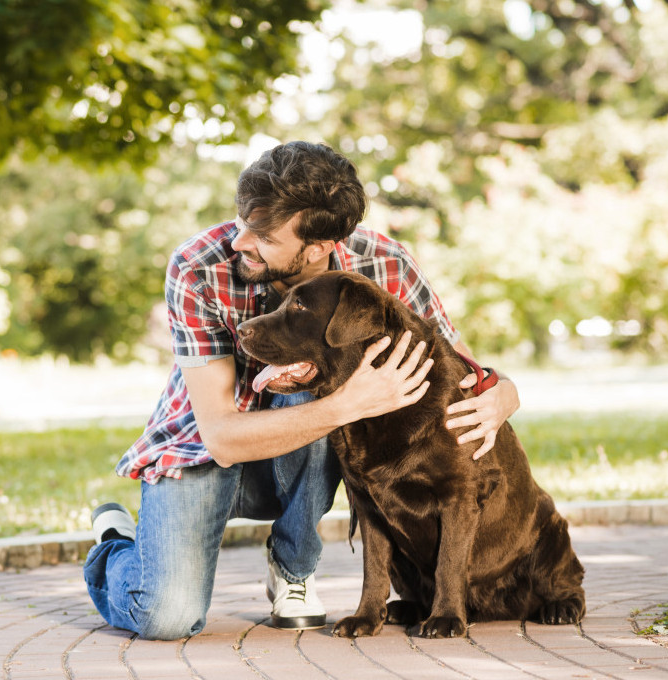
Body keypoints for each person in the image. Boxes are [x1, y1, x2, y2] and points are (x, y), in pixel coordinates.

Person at [82, 141, 520, 641]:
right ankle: (115, 544)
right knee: (165, 616)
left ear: (318, 247)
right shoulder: (198, 267)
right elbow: (221, 435)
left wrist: (505, 390)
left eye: (264, 235)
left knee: (322, 389)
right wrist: (348, 403)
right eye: (243, 219)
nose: (240, 242)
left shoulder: (386, 265)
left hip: (303, 459)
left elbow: (461, 368)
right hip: (202, 449)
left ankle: (293, 571)